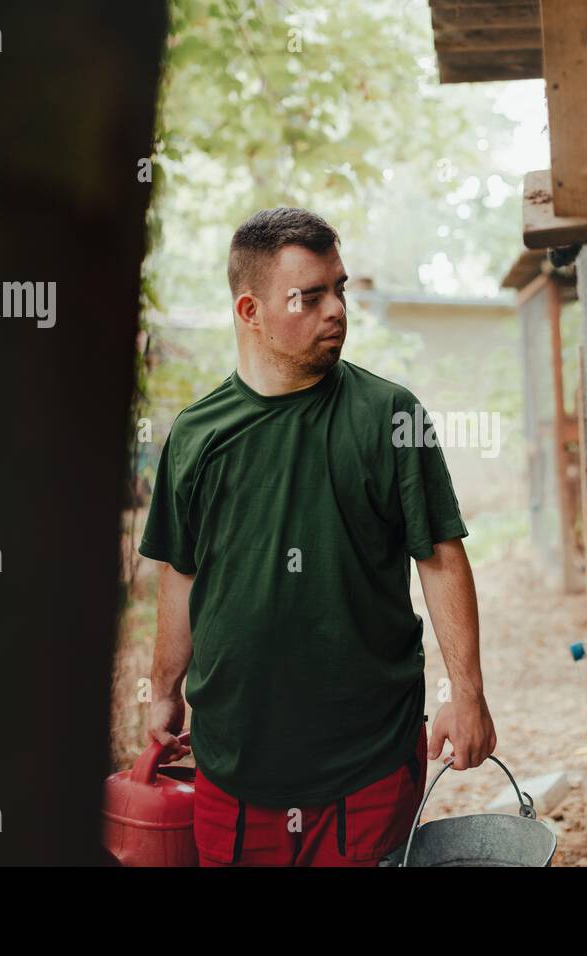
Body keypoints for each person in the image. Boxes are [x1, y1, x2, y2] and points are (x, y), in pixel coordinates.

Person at [138, 206, 497, 866]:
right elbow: (180, 576)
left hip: (367, 760)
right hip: (233, 761)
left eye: (341, 287)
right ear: (250, 311)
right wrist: (163, 693)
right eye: (311, 295)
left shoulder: (389, 415)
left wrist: (466, 695)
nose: (336, 309)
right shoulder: (195, 437)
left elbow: (440, 557)